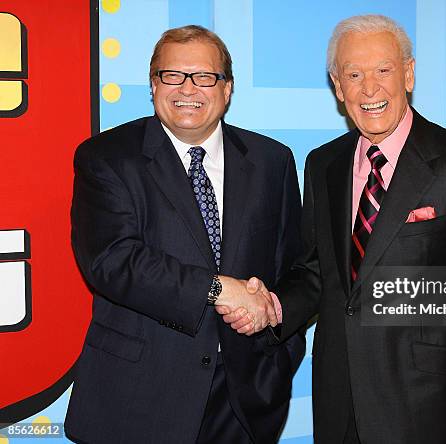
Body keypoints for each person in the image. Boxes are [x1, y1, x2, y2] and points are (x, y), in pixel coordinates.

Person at [221, 15, 446, 444]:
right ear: (337, 85)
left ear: (408, 73)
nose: (369, 89)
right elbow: (317, 273)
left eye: (383, 70)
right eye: (354, 74)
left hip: (422, 402)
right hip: (337, 399)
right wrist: (273, 307)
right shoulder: (322, 164)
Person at [65, 25, 305, 444]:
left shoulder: (272, 161)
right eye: (172, 75)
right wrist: (217, 289)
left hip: (243, 400)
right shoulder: (106, 157)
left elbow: (294, 265)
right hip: (139, 397)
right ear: (153, 84)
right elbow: (112, 261)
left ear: (226, 89)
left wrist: (275, 337)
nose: (187, 88)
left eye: (204, 76)